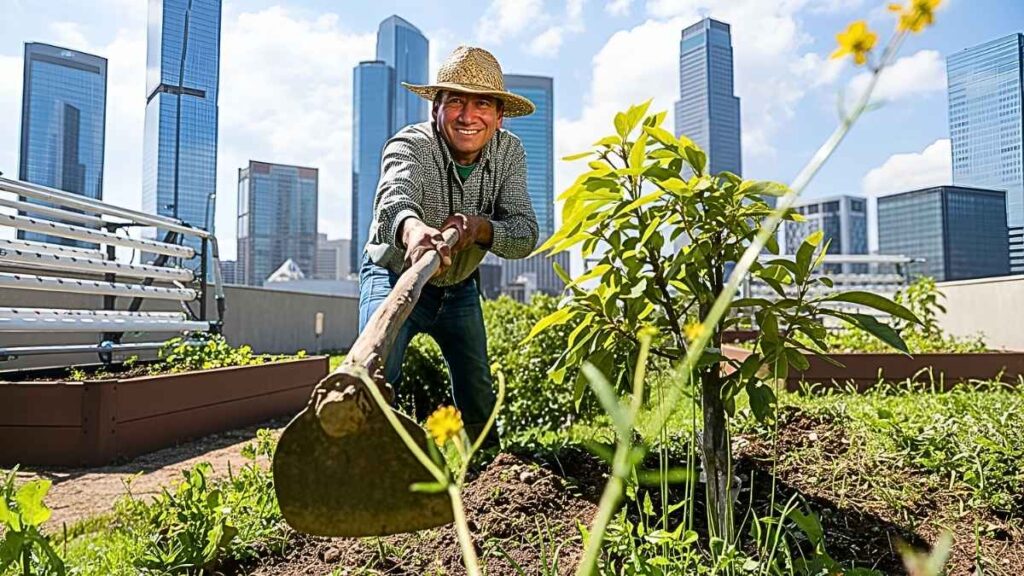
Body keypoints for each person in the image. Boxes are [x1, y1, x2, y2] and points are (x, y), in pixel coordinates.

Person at [359, 45, 539, 445]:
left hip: (459, 287)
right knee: (376, 371)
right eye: (455, 100)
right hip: (395, 276)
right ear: (435, 109)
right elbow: (394, 201)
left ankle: (491, 476)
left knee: (477, 391)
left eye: (482, 105)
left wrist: (480, 230)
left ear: (498, 116)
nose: (467, 116)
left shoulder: (509, 154)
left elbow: (524, 232)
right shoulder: (410, 146)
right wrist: (413, 231)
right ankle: (368, 463)